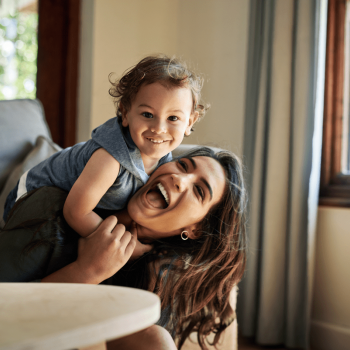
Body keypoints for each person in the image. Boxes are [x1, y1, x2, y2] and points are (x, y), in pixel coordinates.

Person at [0, 147, 247, 350]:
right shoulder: (50, 207)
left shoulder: (159, 277)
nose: (180, 179)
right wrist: (86, 271)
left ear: (196, 229)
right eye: (183, 166)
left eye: (199, 191)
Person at [3, 55, 208, 239]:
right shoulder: (109, 160)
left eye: (173, 118)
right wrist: (124, 247)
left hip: (71, 204)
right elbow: (76, 212)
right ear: (126, 113)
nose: (159, 129)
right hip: (29, 199)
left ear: (189, 122)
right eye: (147, 115)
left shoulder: (166, 161)